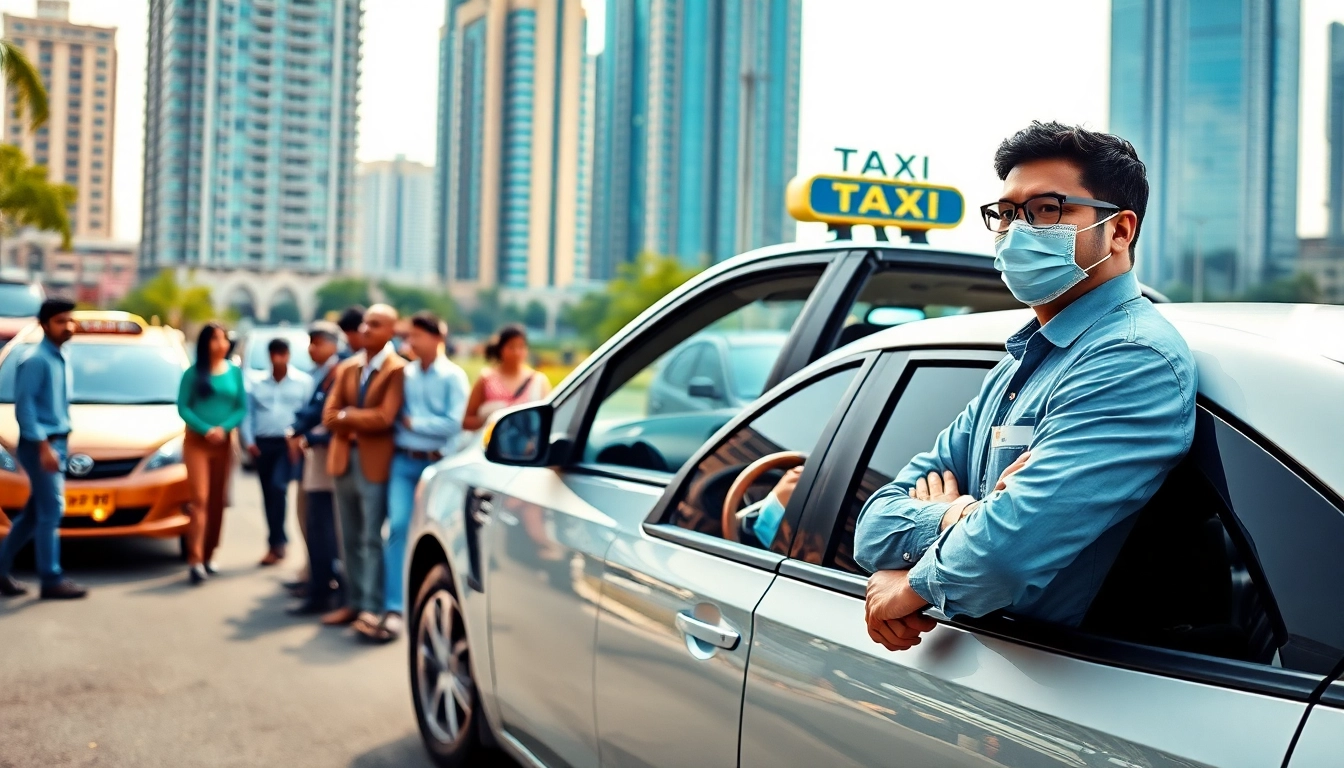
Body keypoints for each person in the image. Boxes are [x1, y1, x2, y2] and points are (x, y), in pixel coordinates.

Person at [855, 122, 1197, 652]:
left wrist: (913, 586)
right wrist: (962, 515)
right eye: (1007, 213)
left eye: (1047, 210)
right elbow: (873, 526)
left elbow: (1003, 556)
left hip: (1060, 686)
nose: (1018, 230)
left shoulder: (1130, 358)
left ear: (1120, 231)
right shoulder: (1020, 365)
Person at [373, 311, 470, 642]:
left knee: (434, 534)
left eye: (416, 336)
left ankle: (432, 603)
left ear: (436, 338)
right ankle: (394, 607)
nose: (410, 342)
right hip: (403, 462)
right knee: (398, 527)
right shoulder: (406, 374)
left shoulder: (453, 377)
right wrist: (422, 425)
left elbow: (454, 423)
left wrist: (418, 425)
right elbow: (393, 416)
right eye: (409, 336)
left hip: (437, 466)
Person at [321, 304, 407, 638]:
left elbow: (385, 418)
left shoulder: (398, 370)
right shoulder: (348, 367)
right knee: (349, 535)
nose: (366, 329)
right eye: (365, 323)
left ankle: (372, 606)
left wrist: (347, 416)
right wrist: (353, 417)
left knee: (372, 537)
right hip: (344, 458)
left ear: (391, 331)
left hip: (374, 463)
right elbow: (329, 416)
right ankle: (353, 601)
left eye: (376, 324)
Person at [0, 298, 86, 599]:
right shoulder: (35, 359)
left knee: (34, 515)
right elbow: (25, 410)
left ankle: (0, 570)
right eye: (61, 321)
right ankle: (51, 578)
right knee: (52, 511)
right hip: (42, 446)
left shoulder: (60, 356)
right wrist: (44, 448)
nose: (68, 326)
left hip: (56, 443)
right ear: (44, 324)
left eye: (70, 320)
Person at [177, 322, 248, 585]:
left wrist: (224, 428)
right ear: (206, 343)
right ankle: (194, 559)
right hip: (198, 442)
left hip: (224, 443)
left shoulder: (234, 373)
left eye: (224, 338)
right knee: (200, 500)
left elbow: (241, 407)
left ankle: (208, 554)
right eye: (216, 339)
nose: (222, 343)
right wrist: (206, 429)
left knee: (218, 500)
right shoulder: (193, 373)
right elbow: (183, 407)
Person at [285, 321, 345, 615]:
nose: (312, 348)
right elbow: (311, 412)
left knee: (327, 528)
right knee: (316, 525)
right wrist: (297, 428)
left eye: (318, 342)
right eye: (310, 342)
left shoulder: (340, 371)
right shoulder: (321, 374)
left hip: (330, 457)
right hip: (318, 457)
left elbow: (330, 416)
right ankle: (318, 586)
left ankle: (325, 590)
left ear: (334, 344)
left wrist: (305, 434)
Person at [240, 338, 312, 566]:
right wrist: (249, 441)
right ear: (269, 356)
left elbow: (307, 414)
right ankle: (275, 541)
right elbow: (248, 414)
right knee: (268, 494)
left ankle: (278, 541)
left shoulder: (303, 382)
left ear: (288, 355)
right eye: (274, 354)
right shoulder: (256, 382)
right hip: (263, 443)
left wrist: (301, 439)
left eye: (283, 354)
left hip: (287, 444)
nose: (279, 359)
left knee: (278, 487)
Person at [462, 325, 551, 433]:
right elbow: (466, 421)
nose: (517, 352)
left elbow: (548, 419)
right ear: (501, 349)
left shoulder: (538, 381)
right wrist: (490, 419)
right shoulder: (486, 379)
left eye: (521, 347)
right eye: (511, 347)